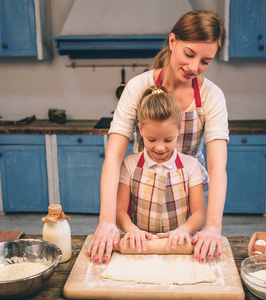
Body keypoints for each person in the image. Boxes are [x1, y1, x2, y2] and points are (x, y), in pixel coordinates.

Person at [87, 9, 229, 264]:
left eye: (206, 61)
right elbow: (113, 157)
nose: (195, 67)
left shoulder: (211, 96)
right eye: (189, 54)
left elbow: (218, 168)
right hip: (142, 188)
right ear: (173, 42)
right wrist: (107, 221)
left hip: (188, 190)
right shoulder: (137, 87)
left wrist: (213, 227)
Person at [116, 86, 206, 254]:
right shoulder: (130, 164)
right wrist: (130, 229)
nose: (160, 147)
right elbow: (119, 210)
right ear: (141, 129)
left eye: (168, 139)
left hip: (178, 244)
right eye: (151, 139)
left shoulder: (191, 166)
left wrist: (184, 229)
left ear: (179, 130)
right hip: (140, 245)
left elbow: (199, 213)